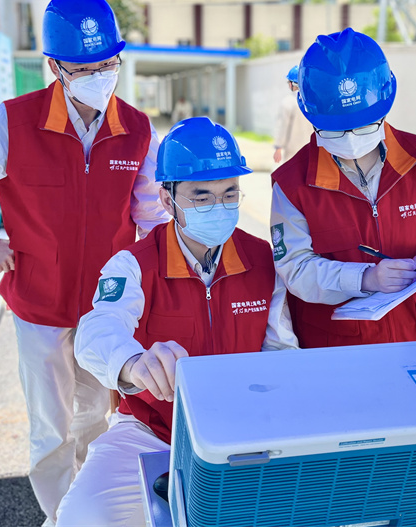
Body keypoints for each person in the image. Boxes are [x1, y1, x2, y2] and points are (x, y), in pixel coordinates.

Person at [0, 0, 169, 526]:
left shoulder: (137, 130)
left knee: (95, 421)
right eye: (83, 68)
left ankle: (86, 513)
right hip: (38, 304)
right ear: (54, 67)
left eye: (107, 64)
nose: (98, 76)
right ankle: (57, 517)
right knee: (49, 428)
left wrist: (153, 281)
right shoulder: (12, 122)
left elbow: (152, 214)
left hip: (103, 310)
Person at [55, 117, 299, 526]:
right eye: (201, 197)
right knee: (84, 516)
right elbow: (98, 330)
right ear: (167, 201)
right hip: (149, 430)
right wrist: (133, 363)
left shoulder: (263, 262)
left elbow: (280, 350)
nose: (219, 207)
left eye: (229, 193)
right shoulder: (135, 264)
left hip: (242, 431)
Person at [271, 27, 416, 348]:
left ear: (385, 104)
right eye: (334, 130)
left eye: (363, 126)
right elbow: (295, 268)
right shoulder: (291, 184)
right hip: (339, 346)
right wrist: (365, 278)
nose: (350, 139)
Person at [273, 65, 314, 164]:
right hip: (312, 149)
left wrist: (278, 147)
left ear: (293, 83)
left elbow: (283, 127)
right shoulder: (313, 101)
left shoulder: (288, 102)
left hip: (293, 151)